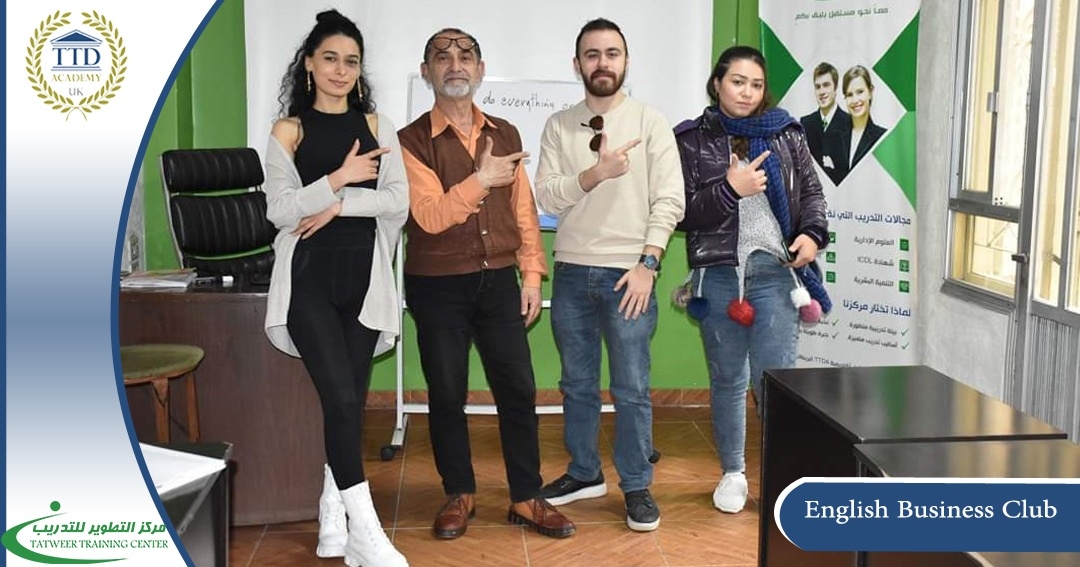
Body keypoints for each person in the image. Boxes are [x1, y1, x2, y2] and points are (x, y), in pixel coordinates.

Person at [397, 27, 575, 541]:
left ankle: (525, 496)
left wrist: (532, 274)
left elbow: (523, 211)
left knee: (518, 389)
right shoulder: (409, 141)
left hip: (499, 280)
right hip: (437, 283)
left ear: (480, 70)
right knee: (446, 391)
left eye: (465, 56)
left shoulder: (507, 133)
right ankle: (459, 493)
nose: (455, 65)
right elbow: (430, 216)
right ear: (426, 71)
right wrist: (481, 179)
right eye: (442, 57)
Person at [262, 9, 409, 567]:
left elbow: (399, 202)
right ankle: (366, 534)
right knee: (343, 399)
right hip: (308, 284)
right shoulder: (289, 131)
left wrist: (340, 205)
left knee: (345, 404)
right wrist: (338, 179)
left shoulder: (377, 125)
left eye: (351, 61)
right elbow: (280, 211)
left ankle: (332, 512)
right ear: (309, 64)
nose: (341, 70)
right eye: (330, 59)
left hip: (364, 283)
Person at [534, 18, 685, 533]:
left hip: (630, 274)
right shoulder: (558, 125)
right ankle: (584, 472)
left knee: (632, 387)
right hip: (572, 271)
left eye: (612, 53)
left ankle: (636, 485)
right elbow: (547, 195)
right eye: (592, 54)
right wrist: (595, 173)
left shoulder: (650, 122)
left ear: (626, 61)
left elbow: (670, 200)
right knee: (576, 383)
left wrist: (648, 264)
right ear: (577, 64)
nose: (603, 63)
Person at [673, 45, 831, 515]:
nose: (747, 92)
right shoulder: (691, 140)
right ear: (717, 84)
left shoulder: (786, 133)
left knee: (776, 383)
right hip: (719, 274)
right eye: (737, 81)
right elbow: (682, 213)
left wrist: (812, 234)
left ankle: (782, 477)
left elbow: (813, 194)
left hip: (777, 273)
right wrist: (729, 189)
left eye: (756, 84)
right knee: (727, 378)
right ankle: (733, 473)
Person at [799, 62, 851, 185]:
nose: (822, 91)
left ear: (835, 88)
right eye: (818, 87)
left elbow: (852, 173)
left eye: (826, 85)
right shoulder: (805, 123)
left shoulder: (850, 123)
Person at [841, 65, 887, 173]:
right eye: (849, 95)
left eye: (860, 92)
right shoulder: (834, 135)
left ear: (870, 92)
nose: (855, 100)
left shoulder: (883, 137)